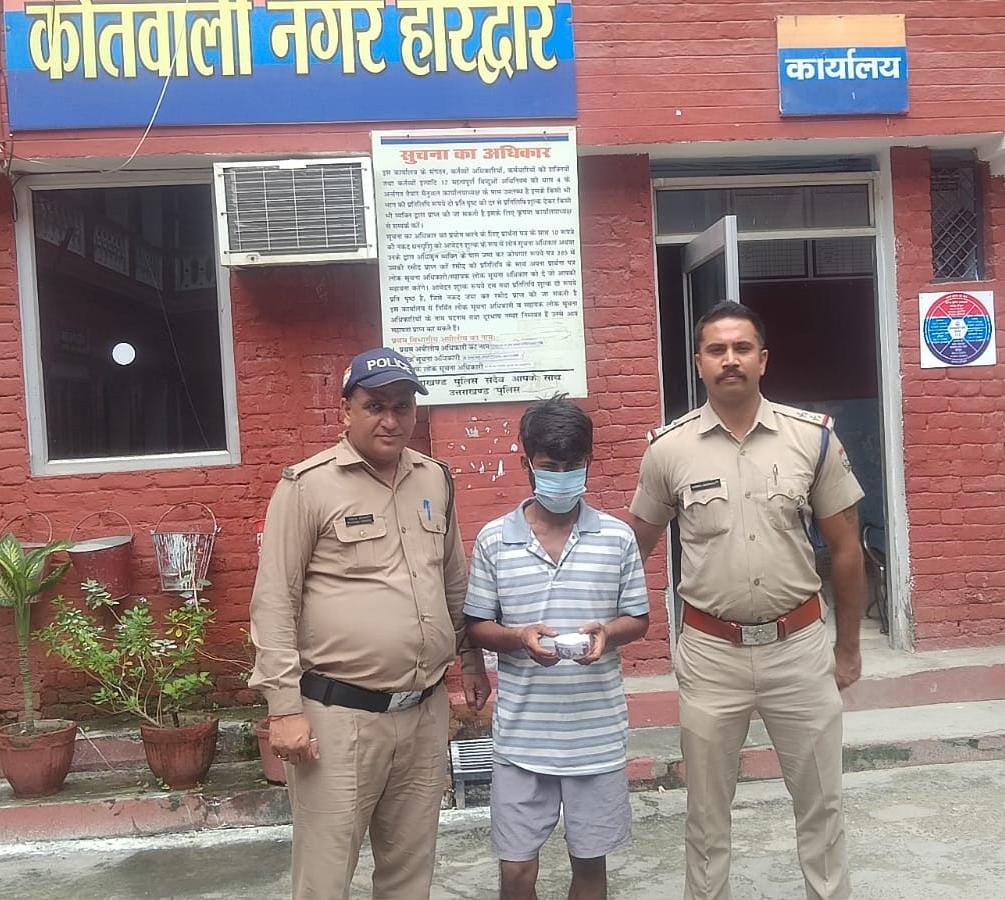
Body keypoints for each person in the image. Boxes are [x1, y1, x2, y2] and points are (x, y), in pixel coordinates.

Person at [627, 302, 866, 900]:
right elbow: (635, 547)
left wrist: (848, 649)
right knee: (706, 814)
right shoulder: (669, 450)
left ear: (763, 359)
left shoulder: (811, 439)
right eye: (716, 350)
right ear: (699, 364)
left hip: (799, 650)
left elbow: (846, 550)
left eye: (741, 348)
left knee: (822, 803)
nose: (729, 360)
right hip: (711, 655)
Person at [249, 347, 492, 900]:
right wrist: (284, 709)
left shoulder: (435, 479)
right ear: (346, 410)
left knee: (409, 875)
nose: (390, 420)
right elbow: (274, 601)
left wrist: (471, 660)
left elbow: (453, 581)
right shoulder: (307, 486)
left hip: (424, 711)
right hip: (339, 718)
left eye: (402, 406)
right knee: (325, 878)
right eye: (375, 406)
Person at [464, 395, 650, 900]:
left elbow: (639, 619)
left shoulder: (616, 538)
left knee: (589, 866)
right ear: (527, 464)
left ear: (589, 461)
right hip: (521, 740)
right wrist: (518, 637)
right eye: (549, 467)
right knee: (516, 870)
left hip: (596, 737)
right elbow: (478, 625)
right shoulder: (494, 541)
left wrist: (608, 633)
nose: (561, 477)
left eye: (572, 466)